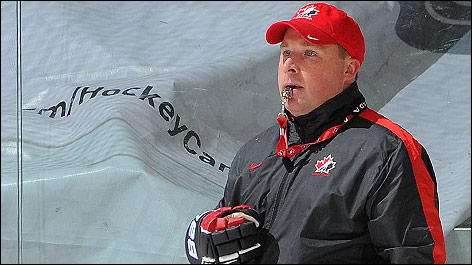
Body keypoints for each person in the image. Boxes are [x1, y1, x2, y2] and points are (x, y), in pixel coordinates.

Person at [185, 3, 447, 264]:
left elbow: (416, 256)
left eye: (309, 53)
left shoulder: (387, 151)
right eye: (286, 52)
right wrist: (208, 242)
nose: (290, 64)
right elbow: (227, 243)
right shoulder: (254, 152)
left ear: (348, 70)